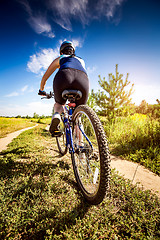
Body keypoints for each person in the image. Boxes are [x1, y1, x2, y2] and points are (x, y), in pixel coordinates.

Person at [39, 40, 89, 136]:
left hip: (64, 76)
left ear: (61, 52)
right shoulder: (81, 60)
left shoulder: (60, 58)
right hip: (83, 80)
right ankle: (81, 145)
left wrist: (42, 90)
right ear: (73, 51)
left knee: (59, 104)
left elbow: (45, 77)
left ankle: (57, 115)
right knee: (78, 115)